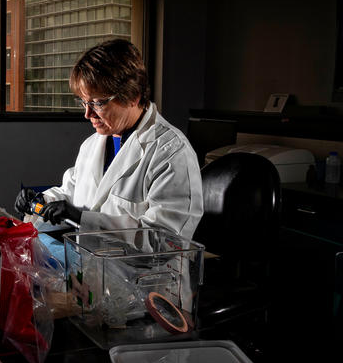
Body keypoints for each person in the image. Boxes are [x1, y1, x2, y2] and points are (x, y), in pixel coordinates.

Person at [14, 38, 203, 239]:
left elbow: (165, 241)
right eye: (84, 102)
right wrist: (40, 201)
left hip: (140, 271)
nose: (88, 114)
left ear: (133, 96)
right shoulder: (92, 144)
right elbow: (71, 193)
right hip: (90, 265)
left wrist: (83, 219)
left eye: (98, 103)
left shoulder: (171, 154)